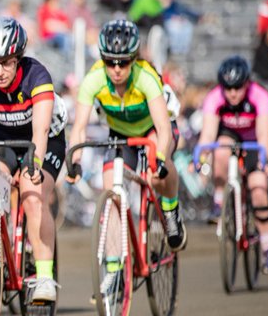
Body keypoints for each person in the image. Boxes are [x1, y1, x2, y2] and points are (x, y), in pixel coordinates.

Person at [69, 21, 187, 286]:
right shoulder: (94, 79)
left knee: (157, 173)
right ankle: (113, 270)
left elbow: (164, 128)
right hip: (120, 136)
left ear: (134, 59)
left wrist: (159, 158)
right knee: (111, 198)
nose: (117, 69)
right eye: (110, 62)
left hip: (152, 131)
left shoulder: (146, 76)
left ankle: (170, 211)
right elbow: (78, 129)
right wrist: (74, 162)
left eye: (123, 62)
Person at [0, 17, 65, 303]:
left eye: (6, 62)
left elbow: (41, 130)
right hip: (4, 139)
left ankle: (44, 276)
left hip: (44, 140)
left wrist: (33, 165)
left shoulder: (37, 75)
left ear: (19, 58)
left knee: (33, 197)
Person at [196, 56, 268, 274]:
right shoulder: (215, 97)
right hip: (229, 136)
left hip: (257, 141)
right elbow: (207, 134)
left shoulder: (259, 97)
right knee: (221, 149)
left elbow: (264, 135)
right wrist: (200, 157)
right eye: (228, 88)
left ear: (247, 84)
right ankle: (219, 200)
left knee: (259, 189)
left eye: (237, 88)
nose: (232, 93)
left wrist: (263, 163)